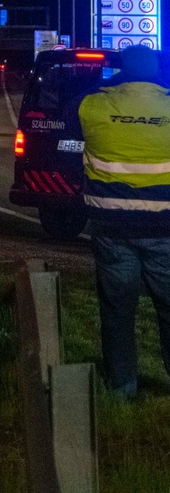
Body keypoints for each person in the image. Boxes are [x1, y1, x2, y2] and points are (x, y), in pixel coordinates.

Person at [79, 44, 170, 398]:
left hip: (112, 230)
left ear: (120, 70)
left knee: (118, 312)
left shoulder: (94, 107)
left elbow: (75, 101)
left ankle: (123, 389)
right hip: (164, 229)